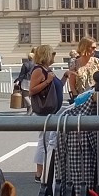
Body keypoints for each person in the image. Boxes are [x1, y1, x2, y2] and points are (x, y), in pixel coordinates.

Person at [28, 44, 61, 181]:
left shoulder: (47, 69)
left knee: (47, 140)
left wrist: (64, 77)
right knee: (44, 141)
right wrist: (48, 81)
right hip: (44, 112)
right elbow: (32, 90)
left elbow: (55, 88)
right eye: (52, 54)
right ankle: (40, 173)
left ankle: (43, 172)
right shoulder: (39, 70)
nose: (54, 56)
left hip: (51, 111)